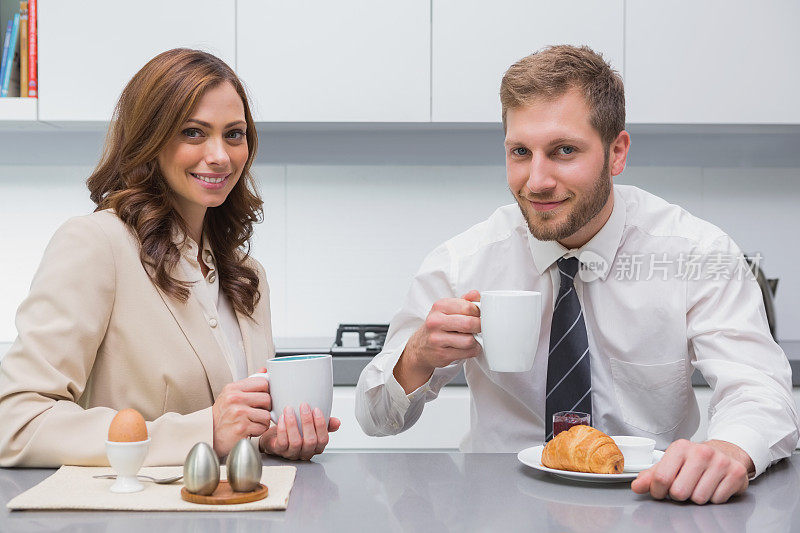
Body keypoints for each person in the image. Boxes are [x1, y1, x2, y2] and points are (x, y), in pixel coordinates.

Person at [355, 45, 799, 504]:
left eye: (564, 150)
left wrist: (727, 450)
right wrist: (417, 358)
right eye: (520, 152)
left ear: (617, 153)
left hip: (648, 504)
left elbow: (760, 391)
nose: (537, 180)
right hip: (497, 508)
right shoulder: (462, 261)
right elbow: (375, 418)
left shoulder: (696, 254)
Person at [0, 48, 339, 467]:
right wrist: (203, 432)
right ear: (150, 140)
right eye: (193, 132)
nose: (220, 155)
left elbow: (234, 428)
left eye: (234, 134)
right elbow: (15, 422)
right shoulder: (96, 244)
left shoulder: (248, 275)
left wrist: (268, 436)